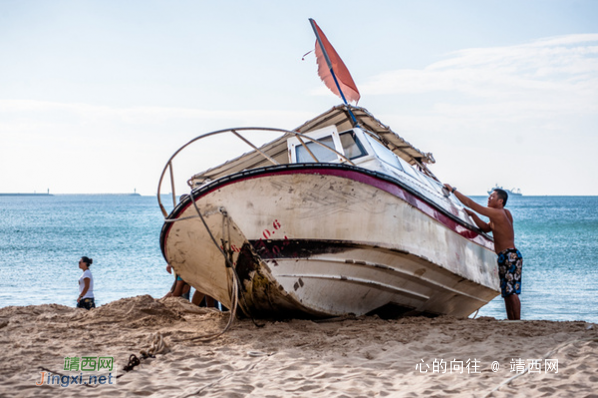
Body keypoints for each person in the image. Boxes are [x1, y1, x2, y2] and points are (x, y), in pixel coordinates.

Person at [443, 184, 522, 320]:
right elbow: (486, 228)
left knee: (512, 292)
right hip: (507, 255)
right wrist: (473, 215)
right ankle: (512, 321)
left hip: (509, 255)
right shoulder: (504, 214)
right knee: (507, 292)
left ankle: (517, 321)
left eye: (492, 196)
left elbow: (471, 203)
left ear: (500, 201)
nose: (489, 198)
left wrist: (454, 190)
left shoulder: (498, 213)